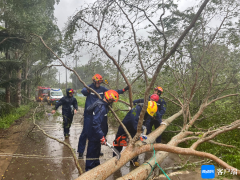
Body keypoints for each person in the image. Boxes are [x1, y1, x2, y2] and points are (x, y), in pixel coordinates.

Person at [77, 74, 129, 159]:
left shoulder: (102, 89)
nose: (99, 83)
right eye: (97, 82)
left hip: (100, 113)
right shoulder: (89, 88)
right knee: (85, 133)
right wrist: (88, 90)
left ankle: (97, 150)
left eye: (100, 82)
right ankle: (80, 151)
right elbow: (83, 92)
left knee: (100, 132)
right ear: (94, 81)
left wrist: (123, 90)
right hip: (89, 115)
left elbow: (112, 92)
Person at [113, 100, 159, 167]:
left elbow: (146, 122)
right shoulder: (136, 109)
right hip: (126, 126)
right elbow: (133, 121)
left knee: (136, 144)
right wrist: (139, 132)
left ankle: (134, 160)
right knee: (118, 142)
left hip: (135, 130)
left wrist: (143, 131)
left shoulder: (148, 112)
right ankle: (115, 158)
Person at [85, 90, 119, 171]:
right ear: (109, 99)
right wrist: (101, 137)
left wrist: (102, 135)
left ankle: (96, 166)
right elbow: (96, 124)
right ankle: (89, 171)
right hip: (94, 135)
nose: (113, 102)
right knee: (91, 154)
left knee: (96, 153)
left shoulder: (101, 103)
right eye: (113, 101)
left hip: (97, 134)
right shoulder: (101, 108)